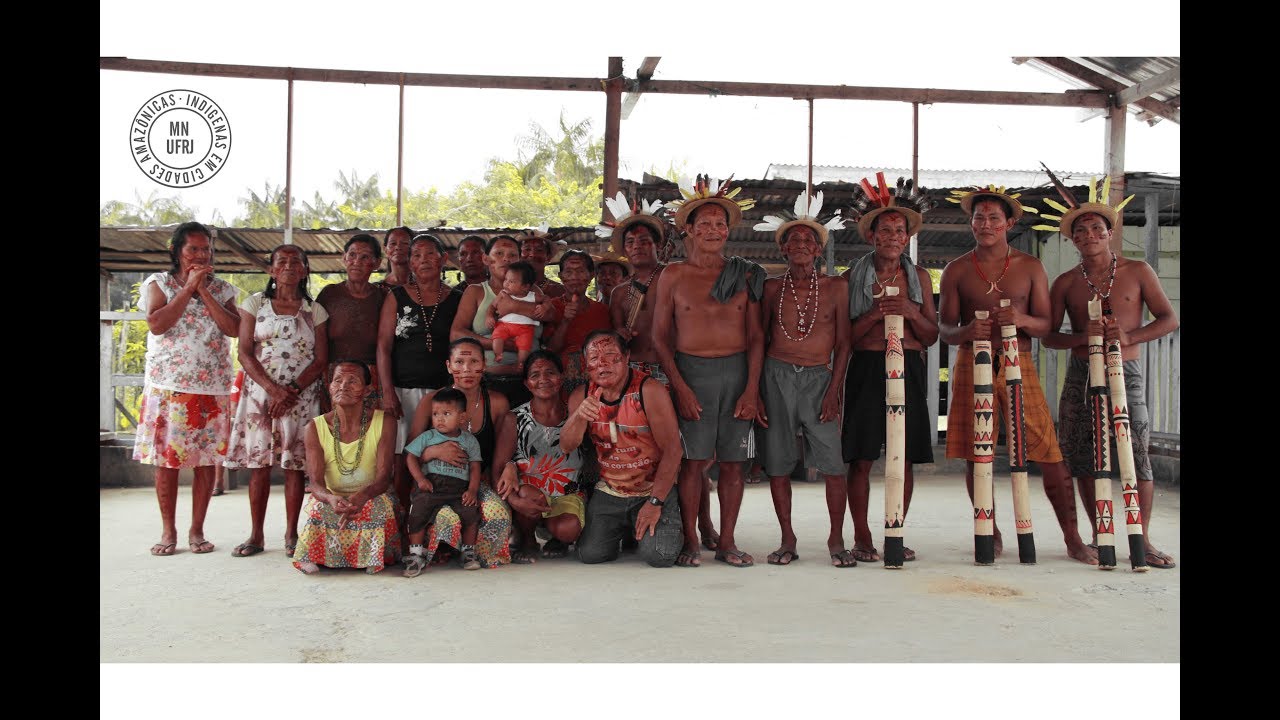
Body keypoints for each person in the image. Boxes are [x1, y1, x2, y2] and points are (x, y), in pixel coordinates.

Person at [938, 184, 1097, 564]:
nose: (986, 224)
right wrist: (966, 333)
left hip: (1019, 360)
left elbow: (1044, 325)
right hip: (971, 362)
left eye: (994, 217)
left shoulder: (1029, 266)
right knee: (978, 454)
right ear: (971, 223)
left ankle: (1072, 538)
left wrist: (1022, 319)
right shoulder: (957, 269)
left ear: (1009, 222)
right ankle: (988, 531)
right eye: (979, 217)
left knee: (1049, 452)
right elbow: (943, 328)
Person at [1039, 180, 1180, 569]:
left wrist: (1129, 335)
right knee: (1083, 456)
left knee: (1136, 454)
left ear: (1110, 233)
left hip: (1126, 370)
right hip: (1082, 374)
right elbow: (1050, 337)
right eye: (1080, 231)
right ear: (1071, 239)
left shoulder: (1138, 271)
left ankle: (1143, 539)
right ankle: (1100, 534)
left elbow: (1169, 319)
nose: (1089, 236)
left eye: (1096, 229)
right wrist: (1083, 338)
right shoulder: (1066, 283)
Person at [652, 174, 764, 568]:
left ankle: (728, 541)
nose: (713, 230)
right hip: (691, 372)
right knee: (693, 462)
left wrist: (752, 389)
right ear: (689, 230)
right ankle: (689, 539)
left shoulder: (744, 273)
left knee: (734, 463)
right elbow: (660, 337)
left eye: (720, 224)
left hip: (736, 373)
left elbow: (755, 338)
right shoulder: (674, 275)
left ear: (728, 229)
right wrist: (679, 385)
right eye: (705, 224)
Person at [601, 192, 721, 550]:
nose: (638, 246)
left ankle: (702, 525)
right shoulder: (620, 293)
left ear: (658, 245)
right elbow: (613, 347)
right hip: (635, 378)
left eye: (645, 240)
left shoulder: (675, 277)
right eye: (631, 241)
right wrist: (619, 338)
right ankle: (640, 520)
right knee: (640, 453)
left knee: (690, 456)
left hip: (673, 373)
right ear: (624, 249)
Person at [839, 176, 939, 564]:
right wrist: (875, 314)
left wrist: (911, 311)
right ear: (872, 236)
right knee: (862, 457)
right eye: (886, 230)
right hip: (866, 367)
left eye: (900, 230)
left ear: (908, 236)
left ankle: (895, 526)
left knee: (905, 455)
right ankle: (862, 536)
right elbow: (845, 335)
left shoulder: (922, 279)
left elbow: (930, 335)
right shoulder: (853, 278)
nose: (894, 236)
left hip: (909, 366)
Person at [753, 192, 851, 567]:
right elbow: (760, 341)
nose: (800, 245)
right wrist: (757, 392)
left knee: (833, 464)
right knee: (778, 462)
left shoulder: (836, 288)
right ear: (782, 249)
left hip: (818, 378)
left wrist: (833, 391)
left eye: (808, 240)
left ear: (818, 249)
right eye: (792, 240)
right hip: (775, 377)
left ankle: (836, 538)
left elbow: (843, 344)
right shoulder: (771, 289)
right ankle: (787, 538)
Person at [133, 221, 241, 556]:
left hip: (212, 388)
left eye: (206, 249)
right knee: (168, 462)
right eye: (193, 248)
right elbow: (157, 323)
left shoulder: (223, 289)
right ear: (176, 251)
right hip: (169, 387)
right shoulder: (160, 283)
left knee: (206, 461)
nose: (200, 254)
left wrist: (203, 289)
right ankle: (169, 532)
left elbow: (234, 329)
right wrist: (187, 288)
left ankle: (197, 530)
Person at [226, 244, 329, 558]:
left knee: (295, 466)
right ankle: (256, 535)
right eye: (281, 261)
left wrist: (291, 391)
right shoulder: (255, 304)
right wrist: (273, 390)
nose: (288, 266)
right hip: (261, 396)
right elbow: (244, 352)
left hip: (301, 396)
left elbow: (321, 358)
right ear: (271, 269)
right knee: (259, 466)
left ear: (304, 270)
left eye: (296, 261)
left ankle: (291, 534)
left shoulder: (315, 310)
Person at [561, 331, 684, 567]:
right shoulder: (582, 394)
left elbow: (673, 451)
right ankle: (626, 528)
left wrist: (655, 503)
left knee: (660, 556)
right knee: (590, 555)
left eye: (610, 355)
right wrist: (579, 416)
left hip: (651, 490)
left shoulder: (649, 390)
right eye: (594, 358)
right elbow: (567, 445)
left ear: (626, 357)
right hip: (611, 491)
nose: (603, 364)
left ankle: (650, 523)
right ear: (586, 364)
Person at [406, 338, 515, 568]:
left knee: (497, 515)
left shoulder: (496, 402)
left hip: (475, 482)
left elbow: (504, 448)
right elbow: (411, 451)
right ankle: (434, 549)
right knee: (444, 518)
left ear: (484, 365)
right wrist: (434, 451)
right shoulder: (431, 402)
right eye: (459, 361)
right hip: (434, 482)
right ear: (448, 366)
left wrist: (502, 470)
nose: (466, 369)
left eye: (474, 361)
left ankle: (471, 553)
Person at [376, 234, 463, 515]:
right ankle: (402, 518)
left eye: (429, 254)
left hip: (442, 393)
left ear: (443, 259)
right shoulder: (396, 296)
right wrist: (387, 391)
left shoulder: (456, 298)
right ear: (409, 262)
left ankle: (435, 521)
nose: (422, 260)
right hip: (402, 392)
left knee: (440, 458)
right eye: (416, 256)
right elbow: (383, 346)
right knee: (402, 459)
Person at [292, 360, 401, 575]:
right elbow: (316, 484)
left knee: (378, 506)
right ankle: (317, 554)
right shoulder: (314, 427)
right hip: (334, 497)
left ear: (368, 389)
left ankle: (370, 556)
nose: (343, 386)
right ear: (330, 386)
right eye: (338, 380)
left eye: (353, 381)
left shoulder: (385, 421)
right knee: (317, 507)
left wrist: (363, 495)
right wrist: (330, 498)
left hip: (371, 495)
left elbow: (383, 478)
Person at [495, 351, 590, 563]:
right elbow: (497, 468)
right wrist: (513, 501)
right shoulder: (515, 418)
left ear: (561, 378)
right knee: (528, 495)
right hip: (529, 498)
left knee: (568, 530)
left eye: (550, 373)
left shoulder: (575, 416)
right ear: (527, 383)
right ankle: (527, 538)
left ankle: (558, 537)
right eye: (535, 375)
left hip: (567, 495)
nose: (543, 380)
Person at [451, 235, 555, 409]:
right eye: (499, 253)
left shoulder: (532, 289)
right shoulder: (475, 292)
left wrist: (513, 305)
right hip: (489, 379)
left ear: (519, 260)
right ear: (486, 259)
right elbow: (456, 334)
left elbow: (550, 315)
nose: (506, 258)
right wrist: (498, 344)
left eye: (512, 255)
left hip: (530, 379)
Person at [402, 387, 485, 575]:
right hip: (432, 485)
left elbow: (474, 467)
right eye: (435, 414)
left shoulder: (470, 441)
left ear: (462, 418)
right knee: (418, 511)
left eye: (446, 413)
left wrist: (472, 490)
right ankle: (415, 554)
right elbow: (410, 457)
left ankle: (468, 552)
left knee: (471, 513)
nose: (439, 418)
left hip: (458, 488)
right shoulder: (428, 437)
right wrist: (420, 479)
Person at [316, 234, 387, 412]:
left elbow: (386, 345)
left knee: (368, 432)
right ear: (344, 258)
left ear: (377, 263)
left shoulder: (383, 297)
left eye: (365, 257)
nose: (357, 262)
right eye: (352, 255)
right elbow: (315, 340)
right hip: (333, 377)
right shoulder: (329, 294)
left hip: (370, 379)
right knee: (333, 432)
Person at [544, 249, 613, 393]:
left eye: (581, 271)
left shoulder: (602, 311)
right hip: (561, 385)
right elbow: (551, 349)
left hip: (598, 385)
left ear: (591, 276)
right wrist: (565, 321)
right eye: (568, 272)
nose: (575, 277)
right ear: (561, 276)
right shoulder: (551, 307)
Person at [487, 260, 545, 368]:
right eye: (506, 280)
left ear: (525, 287)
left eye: (511, 282)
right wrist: (489, 316)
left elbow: (546, 299)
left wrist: (544, 307)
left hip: (525, 329)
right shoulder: (503, 294)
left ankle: (521, 363)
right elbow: (492, 306)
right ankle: (498, 354)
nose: (506, 283)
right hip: (504, 325)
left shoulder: (533, 295)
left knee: (525, 347)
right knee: (497, 337)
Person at [517, 226, 567, 298]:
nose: (532, 255)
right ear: (519, 255)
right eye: (527, 249)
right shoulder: (507, 288)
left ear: (548, 257)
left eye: (539, 250)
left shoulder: (561, 291)